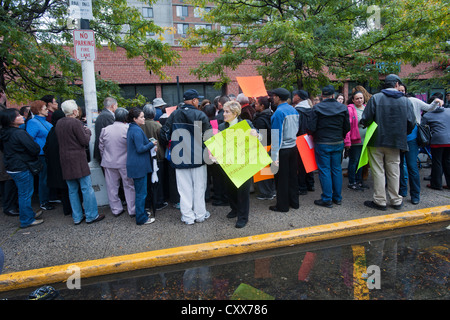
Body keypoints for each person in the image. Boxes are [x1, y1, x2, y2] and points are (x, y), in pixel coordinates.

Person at [360, 74, 415, 211]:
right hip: (396, 141)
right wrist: (403, 133)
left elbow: (366, 118)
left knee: (378, 171)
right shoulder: (406, 101)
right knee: (394, 171)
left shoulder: (376, 98)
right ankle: (396, 200)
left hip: (376, 140)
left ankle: (380, 201)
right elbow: (411, 123)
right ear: (397, 84)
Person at [160, 89, 212, 225]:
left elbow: (164, 134)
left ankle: (188, 217)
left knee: (184, 190)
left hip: (180, 157)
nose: (198, 102)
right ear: (194, 100)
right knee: (200, 188)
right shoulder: (201, 115)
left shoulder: (174, 114)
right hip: (198, 158)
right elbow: (209, 138)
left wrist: (170, 146)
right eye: (197, 100)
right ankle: (200, 214)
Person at [56, 100, 104, 225]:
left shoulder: (59, 123)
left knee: (72, 190)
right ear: (75, 111)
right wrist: (88, 131)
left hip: (65, 159)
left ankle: (77, 216)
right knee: (86, 188)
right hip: (77, 159)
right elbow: (84, 141)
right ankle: (91, 215)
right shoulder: (75, 123)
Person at [398, 84, 443, 204]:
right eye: (399, 90)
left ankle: (415, 194)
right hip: (398, 138)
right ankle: (402, 191)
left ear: (406, 91)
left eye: (403, 90)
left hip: (412, 138)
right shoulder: (395, 102)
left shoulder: (413, 101)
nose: (401, 92)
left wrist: (436, 101)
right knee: (399, 166)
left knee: (412, 166)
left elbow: (429, 108)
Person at [218, 100, 259, 228]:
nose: (223, 114)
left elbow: (259, 137)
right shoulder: (221, 127)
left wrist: (256, 134)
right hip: (228, 163)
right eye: (223, 111)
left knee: (243, 192)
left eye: (226, 112)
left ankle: (243, 217)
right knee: (230, 189)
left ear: (235, 113)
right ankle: (234, 209)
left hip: (244, 162)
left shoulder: (245, 123)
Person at [0, 108, 43, 228]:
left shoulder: (5, 133)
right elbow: (34, 148)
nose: (22, 117)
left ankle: (28, 214)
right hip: (22, 167)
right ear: (11, 120)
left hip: (12, 167)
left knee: (23, 192)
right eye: (18, 115)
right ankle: (26, 219)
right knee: (25, 194)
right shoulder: (19, 133)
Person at [309, 85, 350, 208]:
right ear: (333, 95)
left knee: (325, 170)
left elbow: (311, 128)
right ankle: (337, 198)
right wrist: (340, 135)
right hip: (337, 142)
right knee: (336, 169)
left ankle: (327, 198)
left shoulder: (316, 108)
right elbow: (347, 127)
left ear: (322, 95)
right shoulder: (343, 108)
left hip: (322, 143)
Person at [99, 107, 136, 217]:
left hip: (109, 162)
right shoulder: (127, 129)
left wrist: (105, 157)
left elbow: (101, 147)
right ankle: (132, 209)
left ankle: (116, 209)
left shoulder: (105, 129)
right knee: (129, 186)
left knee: (112, 187)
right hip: (124, 162)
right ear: (126, 117)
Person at [269, 88, 300, 212]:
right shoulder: (294, 110)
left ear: (277, 97)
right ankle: (294, 202)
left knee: (281, 179)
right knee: (292, 177)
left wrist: (274, 156)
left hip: (282, 150)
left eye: (273, 96)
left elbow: (277, 136)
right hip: (293, 147)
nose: (272, 98)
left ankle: (282, 206)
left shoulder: (278, 113)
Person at [126, 107, 156, 225]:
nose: (144, 119)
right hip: (138, 166)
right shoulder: (137, 130)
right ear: (134, 119)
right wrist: (151, 144)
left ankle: (141, 213)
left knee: (140, 192)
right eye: (142, 117)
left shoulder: (132, 129)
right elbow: (140, 149)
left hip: (135, 165)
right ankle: (141, 218)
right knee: (141, 193)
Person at [26, 100, 55, 211]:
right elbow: (30, 140)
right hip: (41, 155)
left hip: (48, 154)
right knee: (44, 178)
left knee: (48, 176)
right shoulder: (33, 122)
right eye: (44, 108)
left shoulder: (46, 122)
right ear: (38, 110)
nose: (47, 110)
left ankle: (51, 197)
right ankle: (44, 201)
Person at [43, 110, 71, 216]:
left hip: (54, 164)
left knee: (63, 189)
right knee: (69, 188)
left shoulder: (52, 130)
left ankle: (66, 209)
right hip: (63, 163)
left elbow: (46, 148)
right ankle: (71, 208)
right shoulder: (62, 130)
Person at [141, 104, 167, 211]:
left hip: (144, 156)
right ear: (154, 114)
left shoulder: (139, 125)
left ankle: (148, 203)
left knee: (147, 181)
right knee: (158, 180)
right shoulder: (157, 126)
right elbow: (163, 140)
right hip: (157, 155)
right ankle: (158, 201)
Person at [421, 103, 450, 190]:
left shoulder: (427, 115)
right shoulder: (449, 111)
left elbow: (422, 128)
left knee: (437, 162)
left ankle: (436, 184)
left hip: (437, 141)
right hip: (449, 140)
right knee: (448, 162)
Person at [252, 96, 276, 200]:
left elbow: (261, 136)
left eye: (257, 104)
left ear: (262, 106)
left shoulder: (261, 119)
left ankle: (266, 193)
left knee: (264, 173)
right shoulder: (271, 114)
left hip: (263, 146)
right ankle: (271, 191)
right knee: (269, 172)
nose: (254, 105)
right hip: (270, 145)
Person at [344, 91, 368, 191]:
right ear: (353, 100)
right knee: (354, 161)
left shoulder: (366, 108)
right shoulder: (350, 109)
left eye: (361, 98)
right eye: (357, 98)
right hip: (355, 140)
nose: (359, 100)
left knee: (361, 162)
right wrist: (347, 142)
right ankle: (352, 181)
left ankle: (359, 181)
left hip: (366, 140)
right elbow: (348, 126)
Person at [293, 89, 315, 195]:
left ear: (298, 97)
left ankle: (302, 187)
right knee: (309, 161)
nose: (293, 97)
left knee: (300, 164)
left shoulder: (297, 111)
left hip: (300, 138)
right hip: (310, 138)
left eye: (295, 95)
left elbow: (296, 127)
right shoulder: (311, 109)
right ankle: (310, 184)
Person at [0, 104, 19, 217]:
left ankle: (10, 205)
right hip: (9, 160)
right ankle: (9, 206)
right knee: (8, 182)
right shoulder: (9, 133)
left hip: (8, 159)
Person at [94, 97, 117, 163]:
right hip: (105, 153)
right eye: (116, 105)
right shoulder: (107, 116)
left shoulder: (103, 114)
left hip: (103, 151)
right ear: (112, 106)